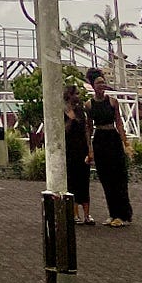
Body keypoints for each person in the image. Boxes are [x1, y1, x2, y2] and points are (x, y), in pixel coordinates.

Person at [87, 70, 133, 226]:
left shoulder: (113, 102)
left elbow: (119, 124)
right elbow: (89, 128)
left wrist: (125, 143)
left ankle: (122, 214)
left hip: (112, 138)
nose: (102, 85)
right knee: (106, 178)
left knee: (118, 177)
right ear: (92, 85)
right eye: (98, 83)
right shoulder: (89, 105)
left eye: (103, 82)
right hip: (100, 140)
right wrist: (90, 149)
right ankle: (112, 213)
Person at [64, 84, 93, 226]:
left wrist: (90, 149)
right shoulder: (63, 111)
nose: (78, 97)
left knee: (84, 180)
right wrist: (70, 119)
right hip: (70, 149)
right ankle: (75, 214)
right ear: (69, 95)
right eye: (75, 94)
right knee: (73, 181)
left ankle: (87, 214)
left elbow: (86, 130)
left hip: (82, 148)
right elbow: (64, 131)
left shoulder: (81, 111)